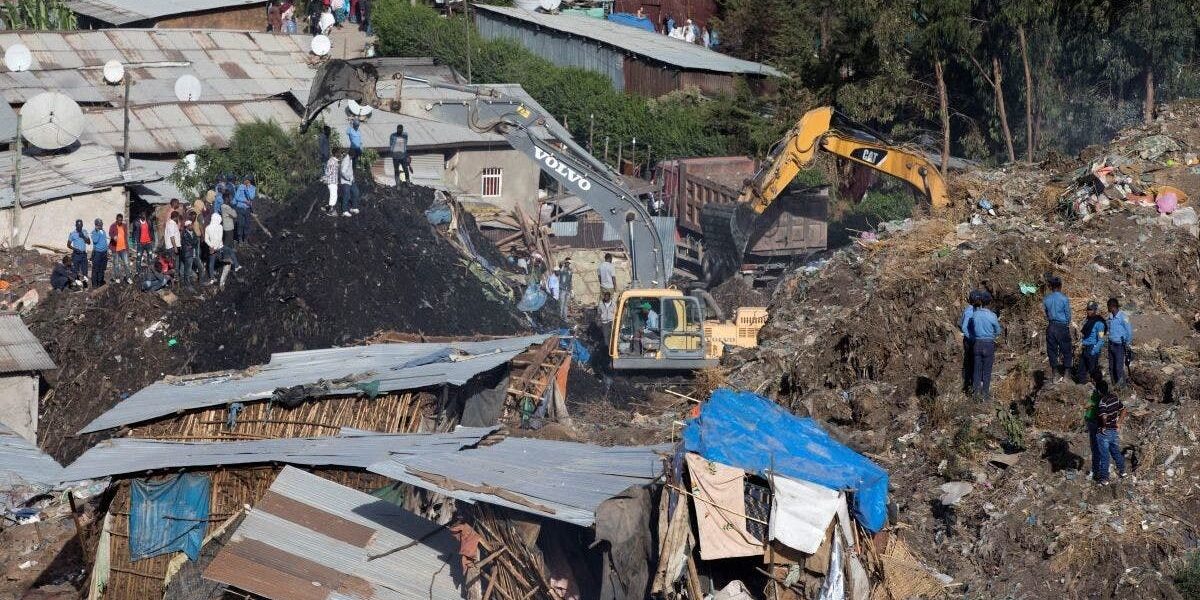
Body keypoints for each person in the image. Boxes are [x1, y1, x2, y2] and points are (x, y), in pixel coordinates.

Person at [1090, 381, 1127, 485]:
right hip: (1114, 431)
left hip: (1104, 434)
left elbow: (1104, 416)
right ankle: (1122, 471)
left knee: (1104, 456)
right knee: (1115, 451)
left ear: (1098, 391)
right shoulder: (1115, 398)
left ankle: (1104, 478)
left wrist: (1103, 426)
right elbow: (1124, 410)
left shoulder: (1102, 402)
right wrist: (1119, 422)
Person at [970, 292, 1001, 401]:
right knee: (987, 371)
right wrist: (992, 335)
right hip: (988, 344)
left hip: (977, 343)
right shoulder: (992, 316)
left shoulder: (975, 315)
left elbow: (971, 329)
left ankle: (975, 395)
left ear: (981, 302)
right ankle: (985, 395)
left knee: (976, 370)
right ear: (990, 303)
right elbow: (998, 331)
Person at [1043, 276, 1073, 382]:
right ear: (1060, 286)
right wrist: (1066, 323)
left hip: (1051, 326)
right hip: (1062, 326)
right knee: (1067, 350)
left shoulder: (1046, 299)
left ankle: (1055, 374)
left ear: (1051, 287)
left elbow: (1046, 313)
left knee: (1052, 350)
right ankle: (1066, 374)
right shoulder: (1064, 299)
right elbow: (1068, 314)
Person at [1078, 301, 1106, 382]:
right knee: (1081, 371)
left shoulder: (1099, 323)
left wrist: (1094, 351)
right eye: (1088, 309)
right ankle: (1082, 388)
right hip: (1085, 348)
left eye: (1091, 309)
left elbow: (1101, 340)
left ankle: (1098, 390)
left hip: (1092, 349)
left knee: (1093, 372)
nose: (1089, 311)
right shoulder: (1087, 321)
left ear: (1095, 310)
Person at [1107, 298, 1133, 386]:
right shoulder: (1110, 317)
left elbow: (1129, 331)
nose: (1107, 309)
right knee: (1111, 367)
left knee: (1118, 368)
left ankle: (1122, 388)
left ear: (1112, 307)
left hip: (1119, 346)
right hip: (1111, 344)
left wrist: (1127, 343)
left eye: (1108, 307)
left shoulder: (1123, 317)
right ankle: (1115, 386)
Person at [960, 289, 978, 394]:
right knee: (970, 362)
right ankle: (968, 385)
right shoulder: (970, 311)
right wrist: (971, 338)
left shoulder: (971, 310)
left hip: (972, 339)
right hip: (970, 340)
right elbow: (964, 327)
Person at [109, 213, 132, 284]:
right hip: (115, 249)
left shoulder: (124, 226)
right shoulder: (113, 226)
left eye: (121, 220)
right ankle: (117, 278)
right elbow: (110, 233)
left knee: (126, 263)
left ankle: (128, 278)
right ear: (116, 219)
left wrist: (128, 249)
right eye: (119, 220)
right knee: (116, 264)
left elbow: (126, 237)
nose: (120, 222)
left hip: (123, 248)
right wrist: (113, 237)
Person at [67, 219, 91, 286]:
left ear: (82, 225)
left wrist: (83, 236)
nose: (79, 227)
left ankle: (85, 285)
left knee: (85, 270)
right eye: (78, 226)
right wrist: (74, 249)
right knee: (76, 270)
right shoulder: (72, 234)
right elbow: (68, 245)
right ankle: (77, 285)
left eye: (80, 226)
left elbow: (89, 242)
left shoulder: (85, 232)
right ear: (76, 225)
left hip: (83, 254)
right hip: (76, 255)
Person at [233, 176, 256, 243]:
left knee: (247, 224)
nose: (246, 181)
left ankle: (245, 239)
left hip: (247, 209)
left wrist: (247, 189)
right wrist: (244, 201)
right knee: (240, 224)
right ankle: (240, 239)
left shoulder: (253, 188)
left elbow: (251, 197)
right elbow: (237, 197)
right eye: (246, 180)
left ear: (250, 181)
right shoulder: (241, 186)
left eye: (247, 180)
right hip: (240, 208)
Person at [179, 216, 199, 291]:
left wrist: (193, 243)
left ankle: (184, 283)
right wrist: (193, 243)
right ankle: (187, 285)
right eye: (190, 225)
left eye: (192, 225)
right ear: (187, 226)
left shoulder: (192, 232)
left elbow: (196, 240)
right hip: (187, 254)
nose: (192, 226)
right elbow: (191, 242)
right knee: (187, 270)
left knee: (184, 268)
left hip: (190, 252)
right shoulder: (185, 234)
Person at [204, 213, 224, 284]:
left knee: (211, 263)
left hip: (212, 248)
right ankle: (215, 275)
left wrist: (211, 246)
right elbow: (220, 238)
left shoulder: (207, 228)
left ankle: (212, 278)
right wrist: (215, 247)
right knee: (219, 260)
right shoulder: (220, 227)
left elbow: (206, 239)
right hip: (219, 247)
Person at [90, 218, 109, 287]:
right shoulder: (94, 232)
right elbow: (95, 240)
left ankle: (100, 282)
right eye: (99, 225)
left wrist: (107, 249)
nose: (101, 226)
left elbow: (104, 241)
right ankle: (94, 284)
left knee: (102, 269)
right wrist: (97, 231)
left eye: (101, 224)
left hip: (104, 253)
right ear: (96, 225)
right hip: (97, 253)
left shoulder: (103, 231)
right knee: (95, 269)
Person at [339, 148, 358, 216]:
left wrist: (352, 177)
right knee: (346, 195)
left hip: (351, 179)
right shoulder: (346, 161)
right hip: (345, 181)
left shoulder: (350, 159)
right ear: (352, 155)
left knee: (356, 192)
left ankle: (354, 207)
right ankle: (345, 211)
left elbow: (350, 170)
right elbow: (343, 172)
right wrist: (348, 178)